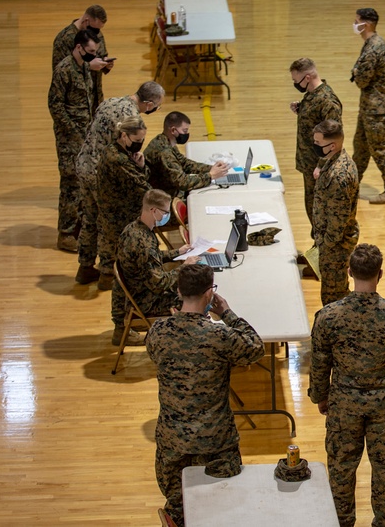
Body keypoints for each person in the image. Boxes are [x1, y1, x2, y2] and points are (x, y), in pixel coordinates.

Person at [309, 243, 385, 527]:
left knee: (341, 467)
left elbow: (320, 365)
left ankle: (340, 521)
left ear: (349, 272)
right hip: (384, 407)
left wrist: (321, 397)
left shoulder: (328, 317)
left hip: (343, 406)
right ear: (380, 274)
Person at [148, 263, 265, 527]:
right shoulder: (219, 335)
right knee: (221, 509)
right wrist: (228, 314)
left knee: (178, 509)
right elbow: (255, 347)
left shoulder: (158, 331)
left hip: (172, 441)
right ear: (209, 294)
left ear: (179, 291)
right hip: (216, 443)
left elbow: (155, 354)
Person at [75, 81, 164, 284]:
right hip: (102, 174)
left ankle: (85, 266)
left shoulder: (110, 102)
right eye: (157, 105)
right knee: (110, 221)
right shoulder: (130, 117)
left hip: (84, 165)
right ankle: (108, 272)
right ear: (149, 104)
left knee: (89, 217)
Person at [111, 189, 199, 347]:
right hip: (146, 300)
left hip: (137, 291)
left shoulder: (133, 228)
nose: (167, 216)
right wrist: (184, 267)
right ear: (154, 210)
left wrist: (177, 252)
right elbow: (160, 285)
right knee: (195, 297)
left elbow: (153, 257)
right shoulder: (142, 243)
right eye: (165, 212)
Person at [48, 29, 108, 253]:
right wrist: (74, 132)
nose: (94, 55)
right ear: (79, 47)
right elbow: (55, 106)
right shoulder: (64, 70)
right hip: (69, 138)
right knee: (70, 184)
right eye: (91, 51)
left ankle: (79, 227)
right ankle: (65, 233)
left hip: (84, 135)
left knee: (83, 182)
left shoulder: (84, 67)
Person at [351, 7, 385, 204]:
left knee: (379, 148)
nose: (355, 25)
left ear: (367, 24)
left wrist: (356, 73)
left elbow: (362, 79)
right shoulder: (373, 42)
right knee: (361, 148)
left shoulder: (373, 47)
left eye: (357, 21)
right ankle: (351, 187)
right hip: (369, 106)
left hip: (375, 107)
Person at [96, 116, 150, 291]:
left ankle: (109, 277)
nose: (140, 144)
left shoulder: (115, 149)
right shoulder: (117, 158)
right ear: (124, 135)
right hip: (118, 211)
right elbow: (140, 186)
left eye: (142, 140)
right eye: (137, 140)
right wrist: (160, 200)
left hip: (114, 208)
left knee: (110, 246)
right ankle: (112, 281)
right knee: (116, 248)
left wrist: (140, 166)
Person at [290, 57, 343, 231]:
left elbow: (333, 137)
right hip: (309, 163)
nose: (294, 84)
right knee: (312, 209)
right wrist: (301, 109)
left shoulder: (328, 101)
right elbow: (316, 122)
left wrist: (322, 165)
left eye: (295, 80)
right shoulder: (312, 96)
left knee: (320, 214)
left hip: (318, 167)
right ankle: (316, 250)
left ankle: (321, 252)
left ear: (307, 78)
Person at [312, 119, 360, 306]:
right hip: (332, 243)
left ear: (332, 145)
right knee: (337, 293)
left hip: (335, 247)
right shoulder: (335, 160)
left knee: (333, 299)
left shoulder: (338, 175)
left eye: (318, 143)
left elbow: (337, 220)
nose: (315, 146)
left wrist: (325, 244)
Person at [144, 111, 229, 199]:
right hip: (164, 197)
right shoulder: (164, 152)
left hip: (169, 190)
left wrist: (211, 168)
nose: (186, 134)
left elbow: (184, 163)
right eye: (184, 131)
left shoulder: (164, 140)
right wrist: (210, 176)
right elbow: (182, 182)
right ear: (173, 130)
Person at [52, 4, 114, 83]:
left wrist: (106, 64)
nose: (96, 33)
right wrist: (89, 66)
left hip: (94, 91)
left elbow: (101, 55)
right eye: (94, 29)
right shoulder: (64, 39)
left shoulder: (96, 33)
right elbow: (59, 71)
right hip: (74, 92)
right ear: (86, 21)